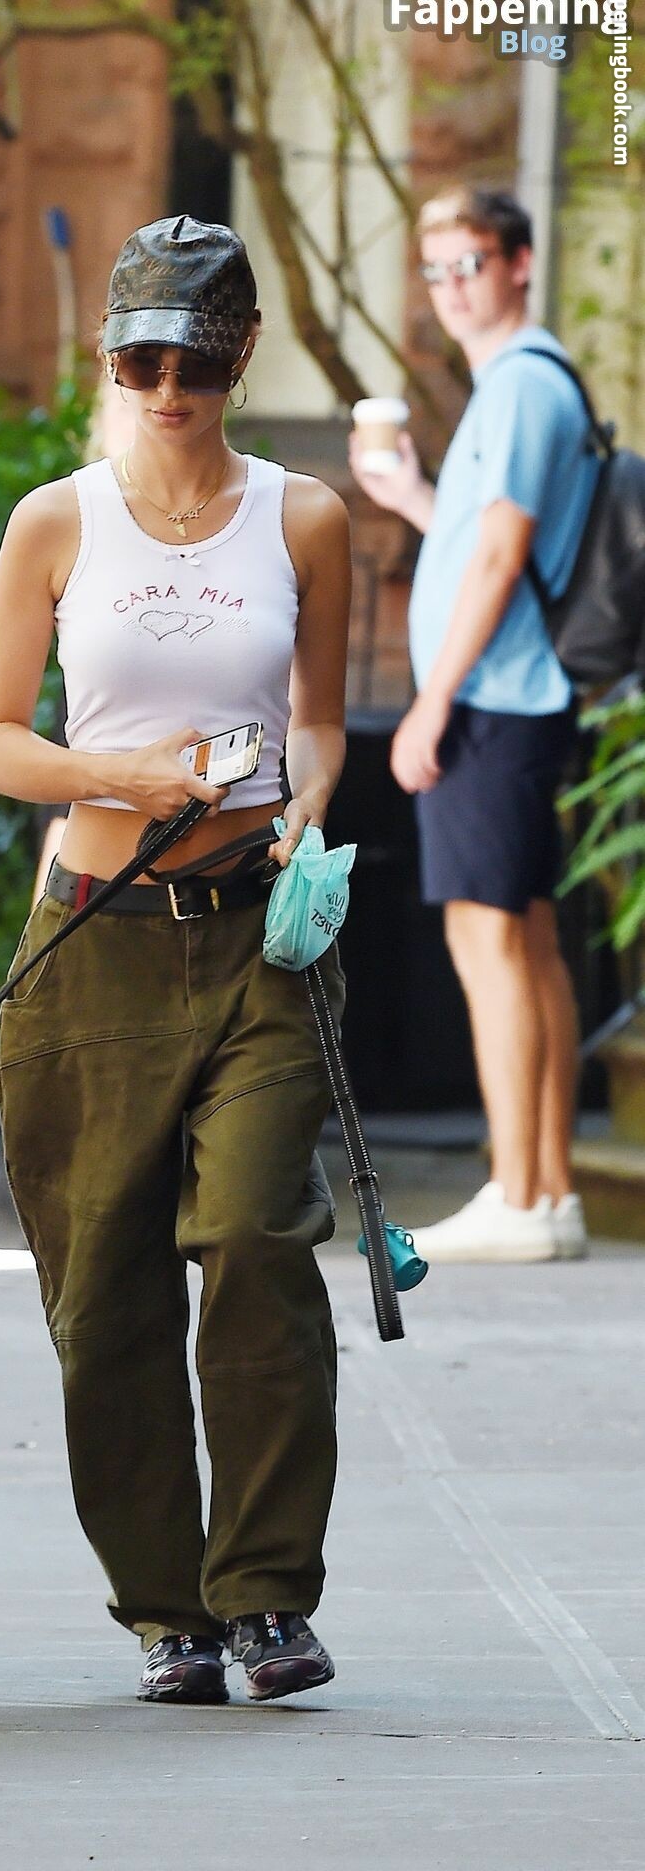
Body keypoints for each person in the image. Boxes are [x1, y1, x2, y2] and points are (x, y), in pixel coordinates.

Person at [0, 215, 353, 1706]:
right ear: (109, 360)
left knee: (255, 1236)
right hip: (92, 944)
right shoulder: (56, 522)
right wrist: (121, 776)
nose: (170, 388)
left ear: (242, 353)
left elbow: (318, 719)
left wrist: (303, 809)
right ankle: (164, 1611)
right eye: (142, 363)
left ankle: (265, 1597)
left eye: (196, 360)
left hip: (258, 938)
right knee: (103, 1295)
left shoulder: (304, 519)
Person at [349, 186, 596, 1264]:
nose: (452, 287)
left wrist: (434, 699)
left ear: (519, 263)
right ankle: (547, 1193)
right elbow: (481, 537)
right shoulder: (518, 383)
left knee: (488, 939)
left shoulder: (523, 385)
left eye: (471, 263)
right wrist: (415, 496)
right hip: (515, 698)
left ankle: (521, 1194)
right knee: (523, 938)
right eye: (437, 268)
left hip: (495, 700)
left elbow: (501, 554)